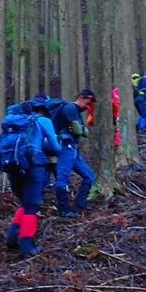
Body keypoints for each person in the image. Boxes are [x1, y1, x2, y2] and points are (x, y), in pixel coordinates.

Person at [4, 97, 61, 257]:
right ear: (42, 109)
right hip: (34, 166)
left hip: (12, 166)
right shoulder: (43, 121)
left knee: (24, 202)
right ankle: (27, 246)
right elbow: (55, 147)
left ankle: (12, 237)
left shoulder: (12, 121)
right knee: (32, 206)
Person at [52, 88, 97, 217]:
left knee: (89, 176)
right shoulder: (69, 108)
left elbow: (85, 132)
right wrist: (79, 129)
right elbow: (78, 131)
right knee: (63, 178)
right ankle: (64, 210)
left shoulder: (77, 113)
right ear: (81, 97)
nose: (88, 106)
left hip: (73, 149)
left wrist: (80, 129)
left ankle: (80, 203)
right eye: (87, 103)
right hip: (65, 147)